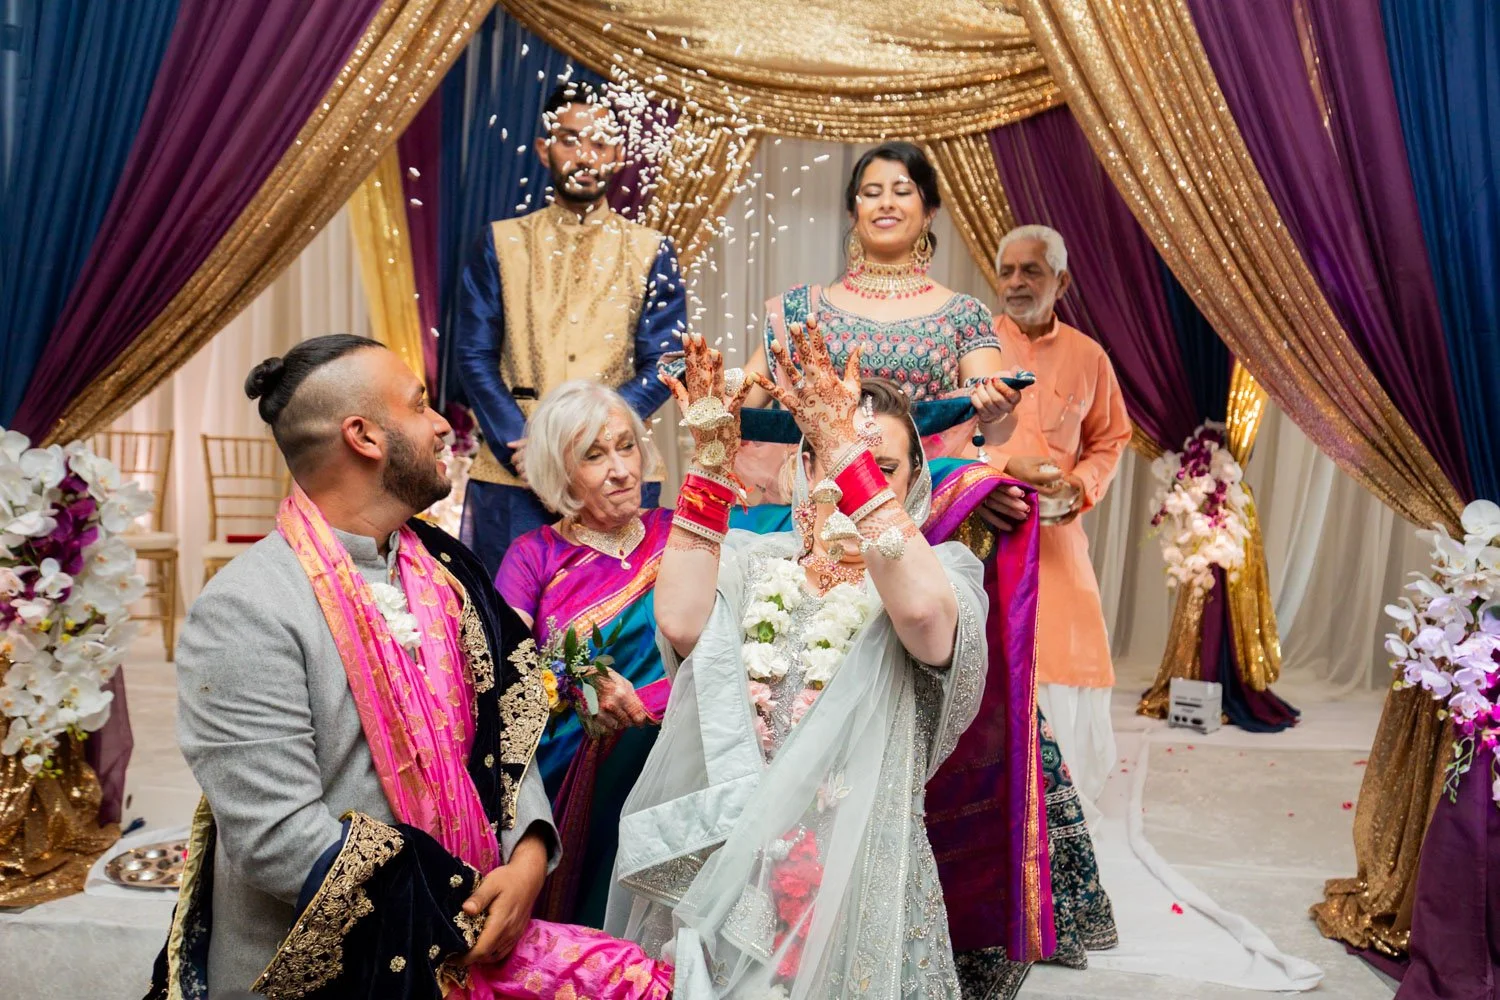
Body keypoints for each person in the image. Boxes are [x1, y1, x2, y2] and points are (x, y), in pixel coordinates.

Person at [149, 336, 671, 999]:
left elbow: (512, 730)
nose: (442, 425)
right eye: (420, 405)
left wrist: (530, 858)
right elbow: (280, 839)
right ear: (364, 437)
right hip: (339, 964)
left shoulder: (448, 571)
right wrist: (463, 911)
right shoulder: (246, 610)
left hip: (477, 926)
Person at [607, 330, 991, 998]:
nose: (839, 484)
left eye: (881, 467)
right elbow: (679, 621)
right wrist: (709, 460)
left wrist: (844, 447)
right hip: (730, 870)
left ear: (910, 486)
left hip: (856, 875)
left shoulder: (939, 578)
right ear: (800, 468)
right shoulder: (760, 560)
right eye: (821, 459)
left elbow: (926, 620)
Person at [454, 80, 687, 579]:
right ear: (544, 149)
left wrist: (596, 440)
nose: (585, 154)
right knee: (505, 630)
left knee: (620, 626)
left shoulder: (650, 249)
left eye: (599, 141)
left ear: (619, 153)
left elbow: (670, 360)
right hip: (513, 471)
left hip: (618, 472)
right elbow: (473, 355)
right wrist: (529, 447)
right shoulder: (501, 241)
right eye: (569, 139)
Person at [737, 141, 1025, 508]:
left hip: (922, 508)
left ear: (929, 210)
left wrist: (996, 407)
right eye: (871, 193)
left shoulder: (963, 314)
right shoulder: (800, 311)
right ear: (854, 212)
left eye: (902, 191)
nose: (886, 202)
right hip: (818, 507)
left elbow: (996, 431)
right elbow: (741, 405)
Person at [497, 379, 672, 927]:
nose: (621, 469)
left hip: (678, 753)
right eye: (594, 456)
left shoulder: (682, 534)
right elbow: (506, 666)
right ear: (560, 473)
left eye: (626, 446)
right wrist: (579, 682)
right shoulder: (534, 555)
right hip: (573, 770)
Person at [986, 224, 1131, 821]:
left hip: (1057, 532)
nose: (1017, 283)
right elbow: (940, 436)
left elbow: (1110, 438)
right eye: (1008, 271)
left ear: (1061, 282)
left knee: (1068, 653)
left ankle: (1056, 805)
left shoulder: (1088, 356)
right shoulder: (977, 348)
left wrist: (1081, 484)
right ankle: (994, 802)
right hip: (986, 525)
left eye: (1032, 272)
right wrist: (1001, 464)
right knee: (993, 658)